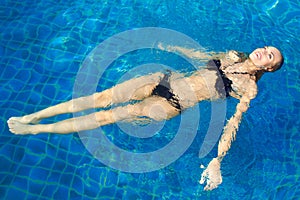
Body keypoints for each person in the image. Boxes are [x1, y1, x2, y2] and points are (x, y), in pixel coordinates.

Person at [7, 44, 283, 190]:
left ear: (269, 68)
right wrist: (174, 48)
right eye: (266, 46)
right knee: (100, 98)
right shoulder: (233, 54)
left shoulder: (249, 89)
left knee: (108, 117)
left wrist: (217, 160)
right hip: (163, 79)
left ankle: (36, 131)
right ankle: (33, 116)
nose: (263, 51)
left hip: (171, 104)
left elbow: (232, 124)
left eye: (269, 54)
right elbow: (200, 56)